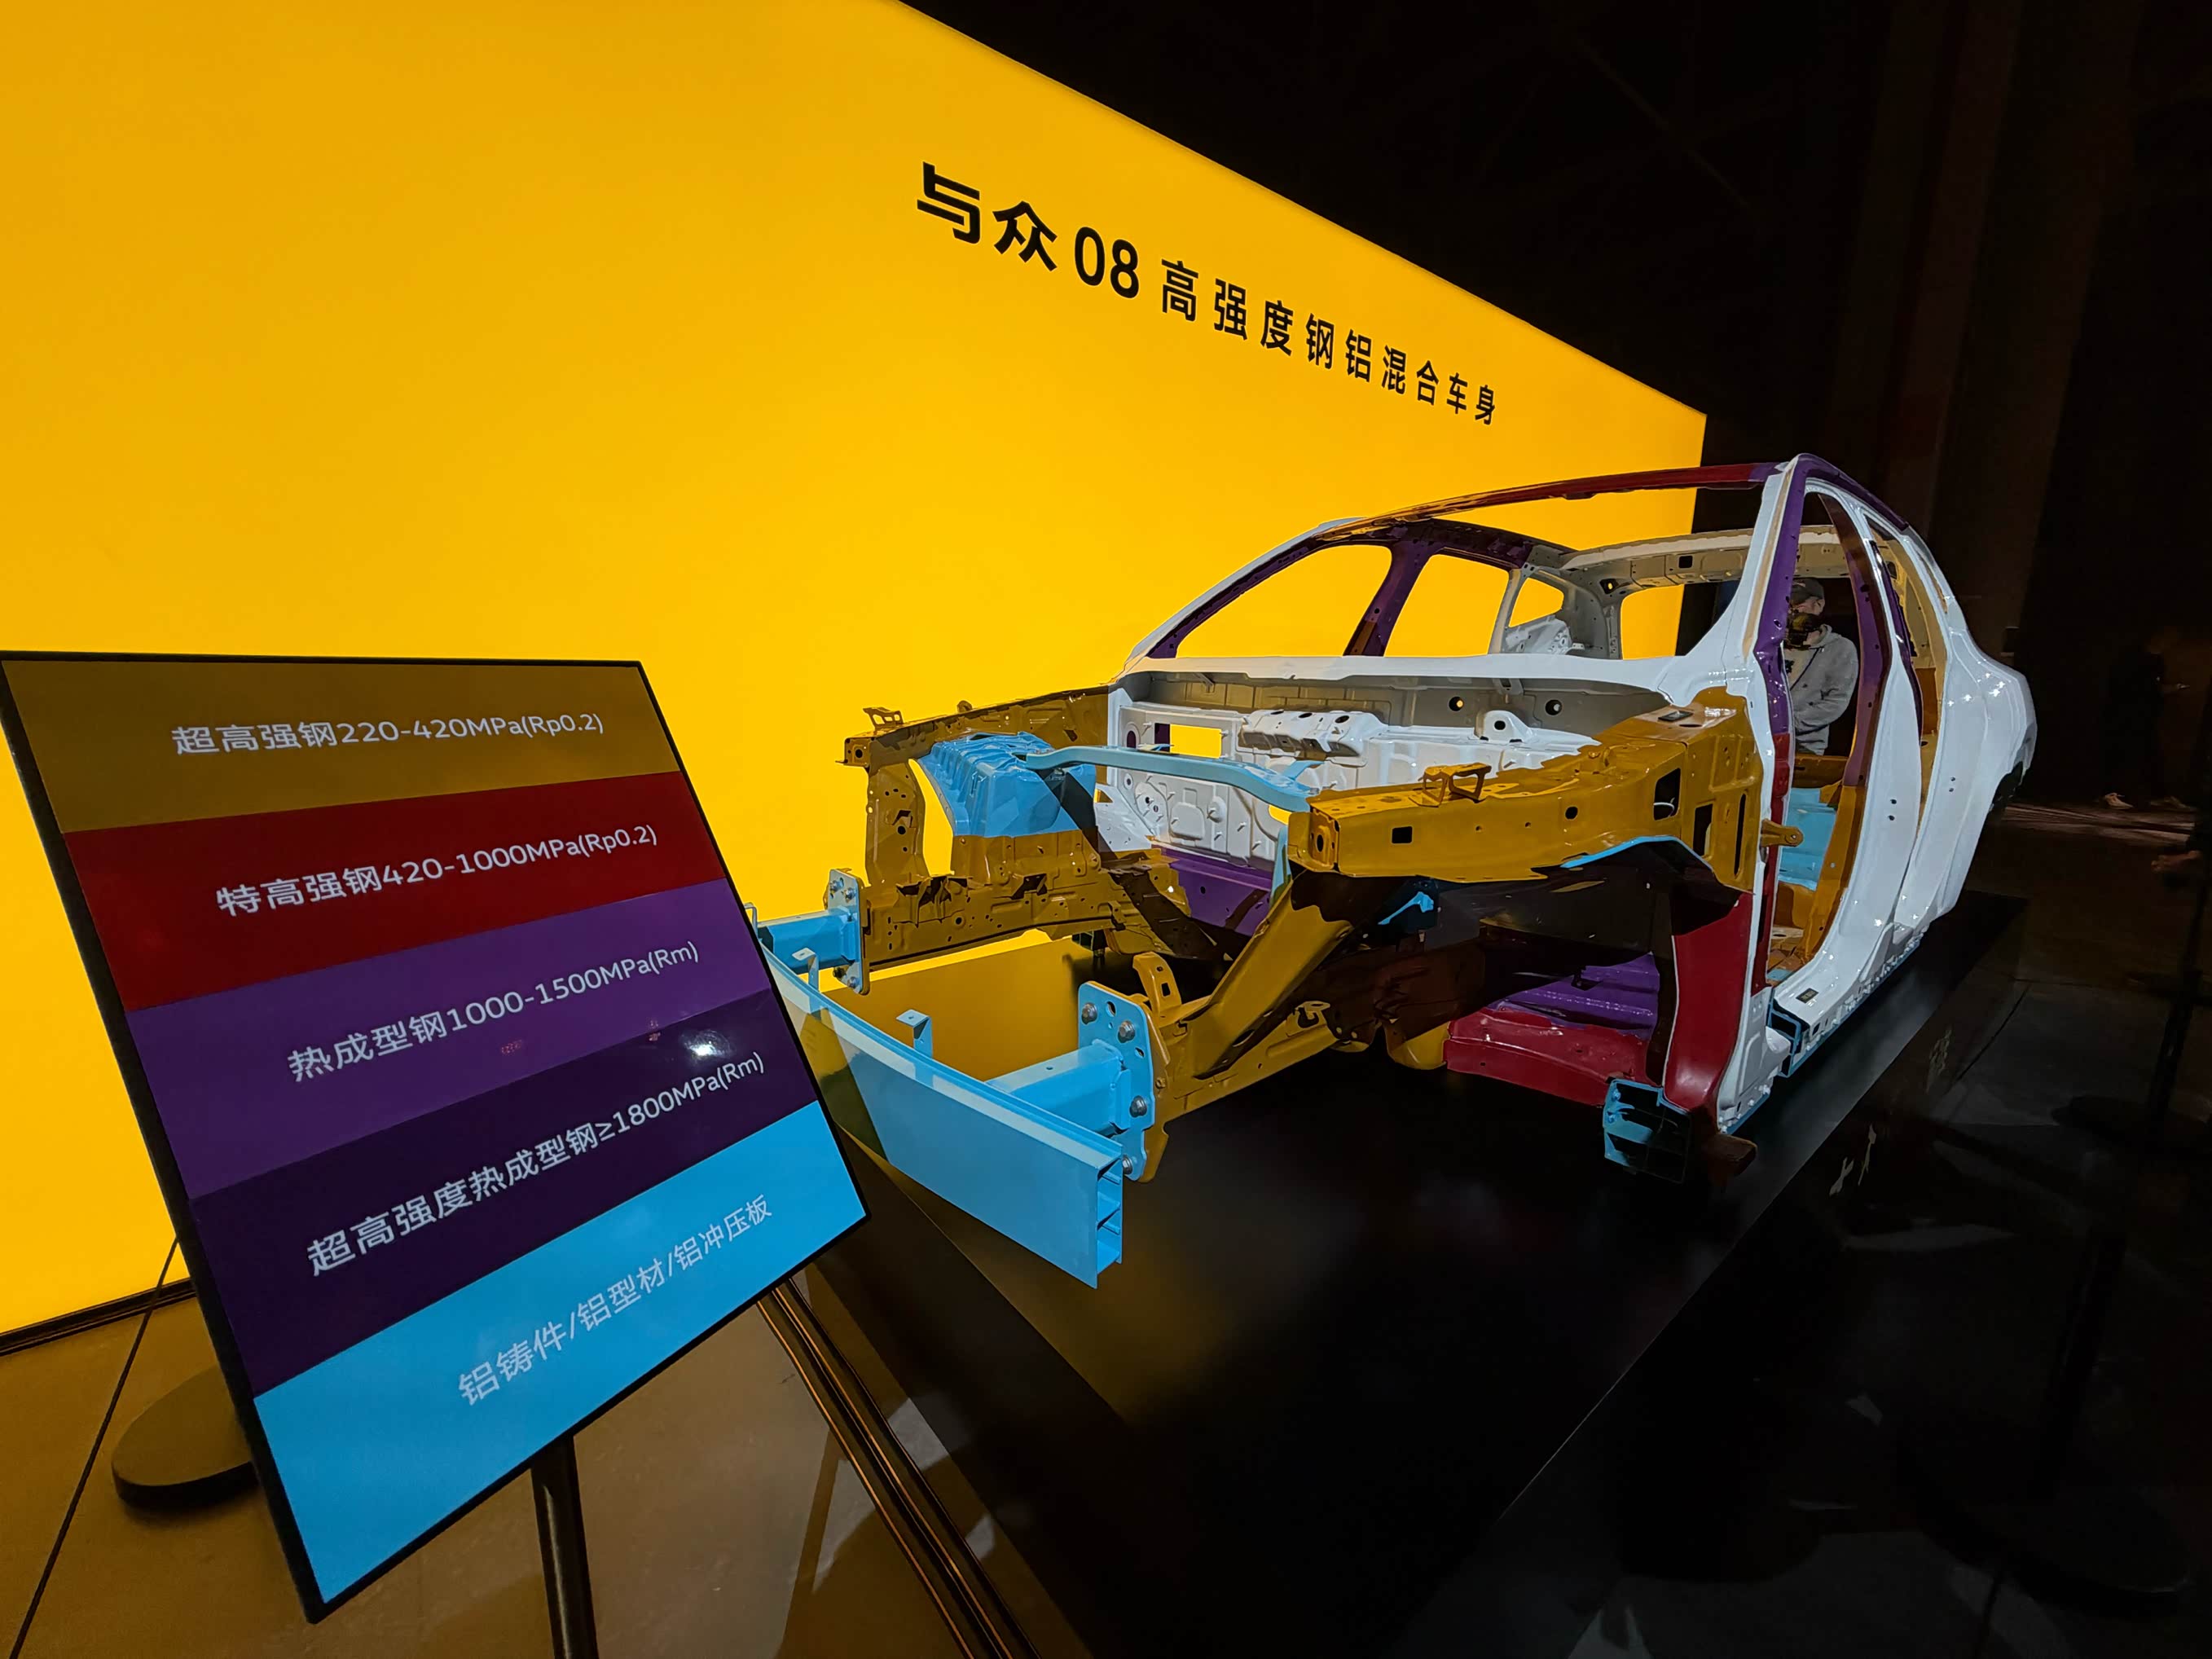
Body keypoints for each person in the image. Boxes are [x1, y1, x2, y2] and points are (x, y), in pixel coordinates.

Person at [2100, 626, 2187, 811]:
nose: (2171, 642)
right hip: (2125, 715)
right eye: (2168, 637)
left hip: (2145, 717)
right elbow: (2131, 687)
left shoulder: (2158, 661)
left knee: (2151, 755)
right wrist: (2162, 690)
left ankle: (2159, 795)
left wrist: (2165, 690)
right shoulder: (2132, 658)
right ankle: (2109, 793)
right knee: (2120, 753)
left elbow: (2153, 687)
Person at [1782, 577, 1858, 755]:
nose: (1792, 611)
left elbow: (1836, 702)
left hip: (1805, 746)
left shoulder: (1840, 648)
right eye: (1787, 605)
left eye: (1798, 604)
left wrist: (1789, 723)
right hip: (1762, 739)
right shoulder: (1772, 645)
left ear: (1818, 605)